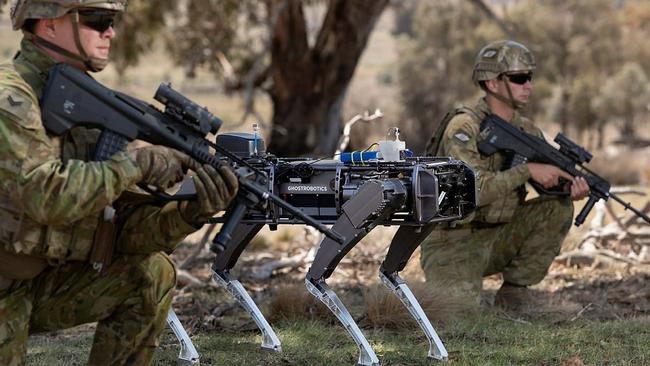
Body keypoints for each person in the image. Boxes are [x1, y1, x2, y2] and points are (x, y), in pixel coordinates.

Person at [0, 0, 238, 364]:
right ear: (47, 24)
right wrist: (137, 164)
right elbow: (45, 195)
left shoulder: (81, 102)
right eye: (98, 20)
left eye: (111, 21)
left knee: (149, 275)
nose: (110, 31)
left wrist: (190, 212)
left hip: (34, 284)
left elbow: (122, 230)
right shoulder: (11, 99)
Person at [419, 40, 590, 311]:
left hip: (499, 235)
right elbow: (470, 189)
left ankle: (514, 292)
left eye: (530, 77)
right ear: (492, 83)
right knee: (457, 317)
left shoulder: (528, 131)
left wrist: (565, 187)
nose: (529, 85)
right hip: (453, 241)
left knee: (557, 207)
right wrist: (527, 171)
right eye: (520, 78)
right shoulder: (464, 127)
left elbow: (545, 183)